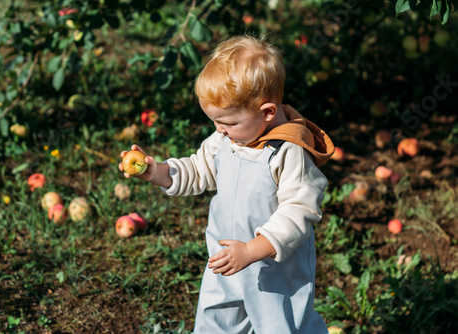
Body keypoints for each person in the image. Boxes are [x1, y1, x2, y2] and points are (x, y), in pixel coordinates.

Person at [119, 35, 334, 333]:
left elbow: (300, 210)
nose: (219, 129)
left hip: (271, 267)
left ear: (267, 112)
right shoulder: (225, 140)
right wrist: (157, 171)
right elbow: (198, 169)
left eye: (228, 122)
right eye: (215, 121)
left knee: (280, 325)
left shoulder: (289, 151)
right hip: (225, 260)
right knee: (216, 321)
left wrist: (252, 250)